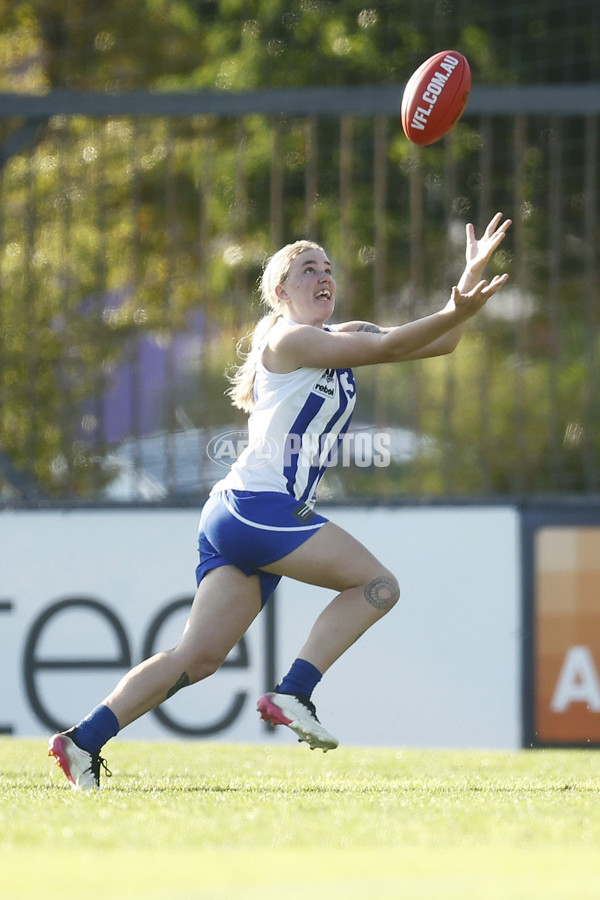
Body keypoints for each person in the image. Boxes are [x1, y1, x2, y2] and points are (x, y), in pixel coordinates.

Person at [48, 212, 511, 789]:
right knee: (377, 586)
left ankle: (81, 740)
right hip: (256, 506)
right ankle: (294, 693)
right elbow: (394, 342)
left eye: (328, 269)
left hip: (240, 513)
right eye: (306, 269)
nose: (323, 276)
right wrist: (456, 307)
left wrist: (465, 289)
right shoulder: (287, 338)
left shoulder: (338, 336)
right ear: (278, 292)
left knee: (198, 658)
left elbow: (438, 343)